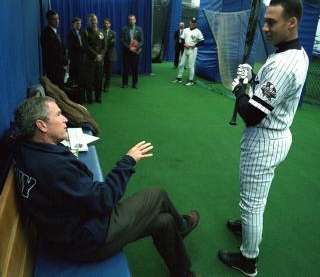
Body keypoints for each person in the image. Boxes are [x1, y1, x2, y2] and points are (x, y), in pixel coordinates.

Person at [12, 96, 200, 277]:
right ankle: (182, 226)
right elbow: (104, 199)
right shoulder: (54, 168)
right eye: (59, 115)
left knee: (164, 222)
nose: (65, 119)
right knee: (157, 195)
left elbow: (12, 136)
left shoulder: (23, 148)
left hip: (70, 230)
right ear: (41, 125)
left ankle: (182, 272)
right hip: (87, 241)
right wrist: (128, 161)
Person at [217, 0, 309, 277]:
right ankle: (246, 227)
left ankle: (248, 260)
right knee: (256, 198)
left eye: (272, 22)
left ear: (291, 23)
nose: (265, 28)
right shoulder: (291, 53)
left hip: (265, 139)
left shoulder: (283, 63)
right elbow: (270, 92)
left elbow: (252, 113)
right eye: (265, 21)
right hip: (277, 134)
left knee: (252, 203)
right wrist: (253, 78)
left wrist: (239, 89)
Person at [172, 17, 204, 86]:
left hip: (192, 50)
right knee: (181, 64)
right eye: (192, 22)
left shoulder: (198, 31)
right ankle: (179, 78)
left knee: (191, 66)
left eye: (194, 22)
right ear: (189, 22)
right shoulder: (186, 30)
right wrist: (184, 44)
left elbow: (202, 41)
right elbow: (182, 38)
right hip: (186, 49)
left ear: (196, 23)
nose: (192, 23)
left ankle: (191, 80)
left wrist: (194, 45)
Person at [41, 10, 68, 88]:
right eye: (54, 19)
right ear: (48, 20)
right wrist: (65, 62)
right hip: (54, 69)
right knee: (57, 91)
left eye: (58, 18)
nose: (57, 21)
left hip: (60, 67)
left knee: (61, 89)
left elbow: (61, 48)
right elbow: (53, 53)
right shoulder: (47, 34)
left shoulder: (55, 31)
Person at [83, 14, 106, 104]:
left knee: (99, 80)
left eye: (95, 19)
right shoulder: (85, 32)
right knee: (89, 81)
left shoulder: (101, 32)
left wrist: (101, 56)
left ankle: (98, 97)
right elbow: (86, 46)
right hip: (90, 61)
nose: (94, 21)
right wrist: (96, 55)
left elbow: (104, 46)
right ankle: (89, 98)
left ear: (97, 20)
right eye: (91, 20)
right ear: (89, 21)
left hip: (100, 61)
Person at [121, 14, 144, 89]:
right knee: (125, 69)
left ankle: (135, 83)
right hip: (127, 52)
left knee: (135, 69)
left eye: (133, 19)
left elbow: (142, 41)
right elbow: (123, 41)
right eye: (130, 19)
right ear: (128, 20)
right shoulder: (124, 29)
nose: (131, 21)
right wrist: (129, 48)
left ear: (135, 20)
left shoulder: (139, 29)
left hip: (135, 53)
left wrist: (136, 47)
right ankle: (125, 83)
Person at [67, 17, 85, 85]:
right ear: (73, 24)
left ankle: (79, 86)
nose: (79, 25)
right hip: (74, 57)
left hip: (81, 57)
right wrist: (84, 49)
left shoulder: (81, 32)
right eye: (77, 23)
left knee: (80, 73)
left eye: (80, 23)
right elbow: (73, 45)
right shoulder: (71, 33)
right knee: (74, 74)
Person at [102, 18, 117, 92]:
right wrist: (109, 41)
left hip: (110, 55)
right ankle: (100, 86)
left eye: (107, 23)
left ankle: (106, 86)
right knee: (101, 72)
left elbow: (113, 43)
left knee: (108, 72)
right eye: (105, 23)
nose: (106, 24)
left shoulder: (113, 33)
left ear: (110, 24)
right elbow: (100, 43)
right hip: (102, 55)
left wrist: (105, 42)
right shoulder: (100, 32)